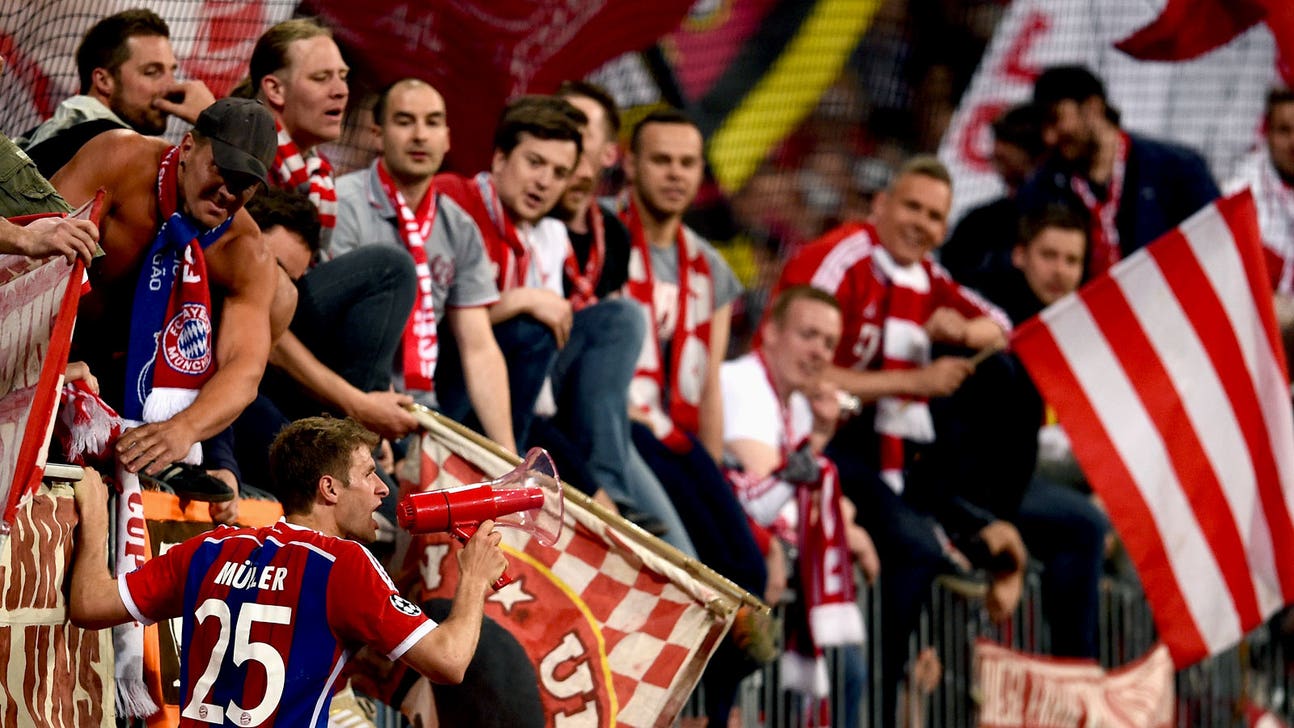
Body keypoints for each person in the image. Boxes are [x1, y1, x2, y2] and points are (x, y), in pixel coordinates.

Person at [770, 154, 1026, 726]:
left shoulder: (925, 277)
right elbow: (799, 372)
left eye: (935, 216)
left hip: (877, 453)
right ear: (880, 205)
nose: (922, 224)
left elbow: (1002, 327)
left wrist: (963, 329)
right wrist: (914, 381)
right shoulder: (841, 259)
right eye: (912, 207)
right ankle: (877, 704)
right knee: (915, 546)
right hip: (801, 440)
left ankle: (904, 687)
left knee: (954, 532)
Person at [67, 416, 508, 725]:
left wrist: (96, 516)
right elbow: (449, 661)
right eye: (369, 474)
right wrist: (472, 578)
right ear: (329, 489)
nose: (381, 490)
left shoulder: (210, 549)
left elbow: (89, 604)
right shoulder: (344, 565)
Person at [618, 108, 770, 726]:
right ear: (630, 165)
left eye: (687, 163)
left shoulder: (712, 268)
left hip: (679, 440)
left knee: (749, 576)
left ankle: (712, 713)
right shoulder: (600, 237)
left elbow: (708, 385)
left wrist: (711, 473)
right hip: (623, 429)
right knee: (694, 577)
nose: (676, 174)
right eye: (661, 160)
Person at [51, 98, 278, 504]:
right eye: (221, 170)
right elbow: (32, 258)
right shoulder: (119, 160)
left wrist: (183, 429)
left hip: (140, 381)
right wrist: (48, 367)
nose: (227, 191)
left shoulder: (245, 250)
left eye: (244, 183)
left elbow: (244, 369)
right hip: (54, 344)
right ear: (187, 147)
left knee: (284, 300)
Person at [242, 18, 421, 445]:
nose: (341, 90)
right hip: (242, 358)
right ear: (275, 89)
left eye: (342, 76)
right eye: (321, 78)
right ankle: (351, 439)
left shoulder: (316, 174)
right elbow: (256, 316)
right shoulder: (248, 164)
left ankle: (357, 440)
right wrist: (359, 405)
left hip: (287, 355)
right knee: (387, 269)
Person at [953, 205, 1111, 659]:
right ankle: (1074, 671)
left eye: (1071, 260)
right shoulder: (992, 315)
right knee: (1085, 525)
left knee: (1101, 517)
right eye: (1049, 256)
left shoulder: (1070, 323)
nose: (1060, 271)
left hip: (1016, 475)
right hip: (968, 483)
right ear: (1020, 255)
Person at [720, 285, 878, 727]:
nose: (819, 352)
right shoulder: (741, 382)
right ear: (771, 332)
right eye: (808, 335)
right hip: (746, 570)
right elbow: (768, 494)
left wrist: (822, 432)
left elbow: (809, 492)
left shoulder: (797, 403)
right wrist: (847, 529)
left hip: (789, 581)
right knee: (840, 672)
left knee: (845, 672)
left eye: (829, 343)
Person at [332, 78, 515, 451]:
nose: (420, 135)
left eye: (432, 122)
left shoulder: (459, 226)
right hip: (349, 399)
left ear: (447, 138)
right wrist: (366, 417)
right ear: (377, 134)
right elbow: (331, 330)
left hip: (425, 407)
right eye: (404, 121)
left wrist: (508, 456)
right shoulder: (341, 204)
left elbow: (479, 347)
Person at [432, 95, 581, 449]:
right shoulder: (451, 197)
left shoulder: (524, 239)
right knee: (532, 330)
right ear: (500, 158)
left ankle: (506, 460)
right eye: (535, 162)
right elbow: (430, 319)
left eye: (559, 173)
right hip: (421, 382)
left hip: (471, 385)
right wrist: (520, 300)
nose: (544, 182)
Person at [1018, 64, 1220, 279]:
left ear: (1093, 108)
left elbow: (1217, 242)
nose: (1049, 137)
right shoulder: (1042, 187)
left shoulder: (1178, 169)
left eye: (1055, 119)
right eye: (1043, 127)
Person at [21, 8, 216, 178]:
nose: (170, 86)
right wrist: (213, 120)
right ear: (104, 81)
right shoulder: (120, 147)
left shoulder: (37, 138)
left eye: (172, 72)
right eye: (152, 72)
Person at [941, 102, 1045, 287]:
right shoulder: (980, 220)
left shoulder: (1055, 214)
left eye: (1010, 141)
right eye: (997, 139)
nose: (998, 150)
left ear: (1036, 152)